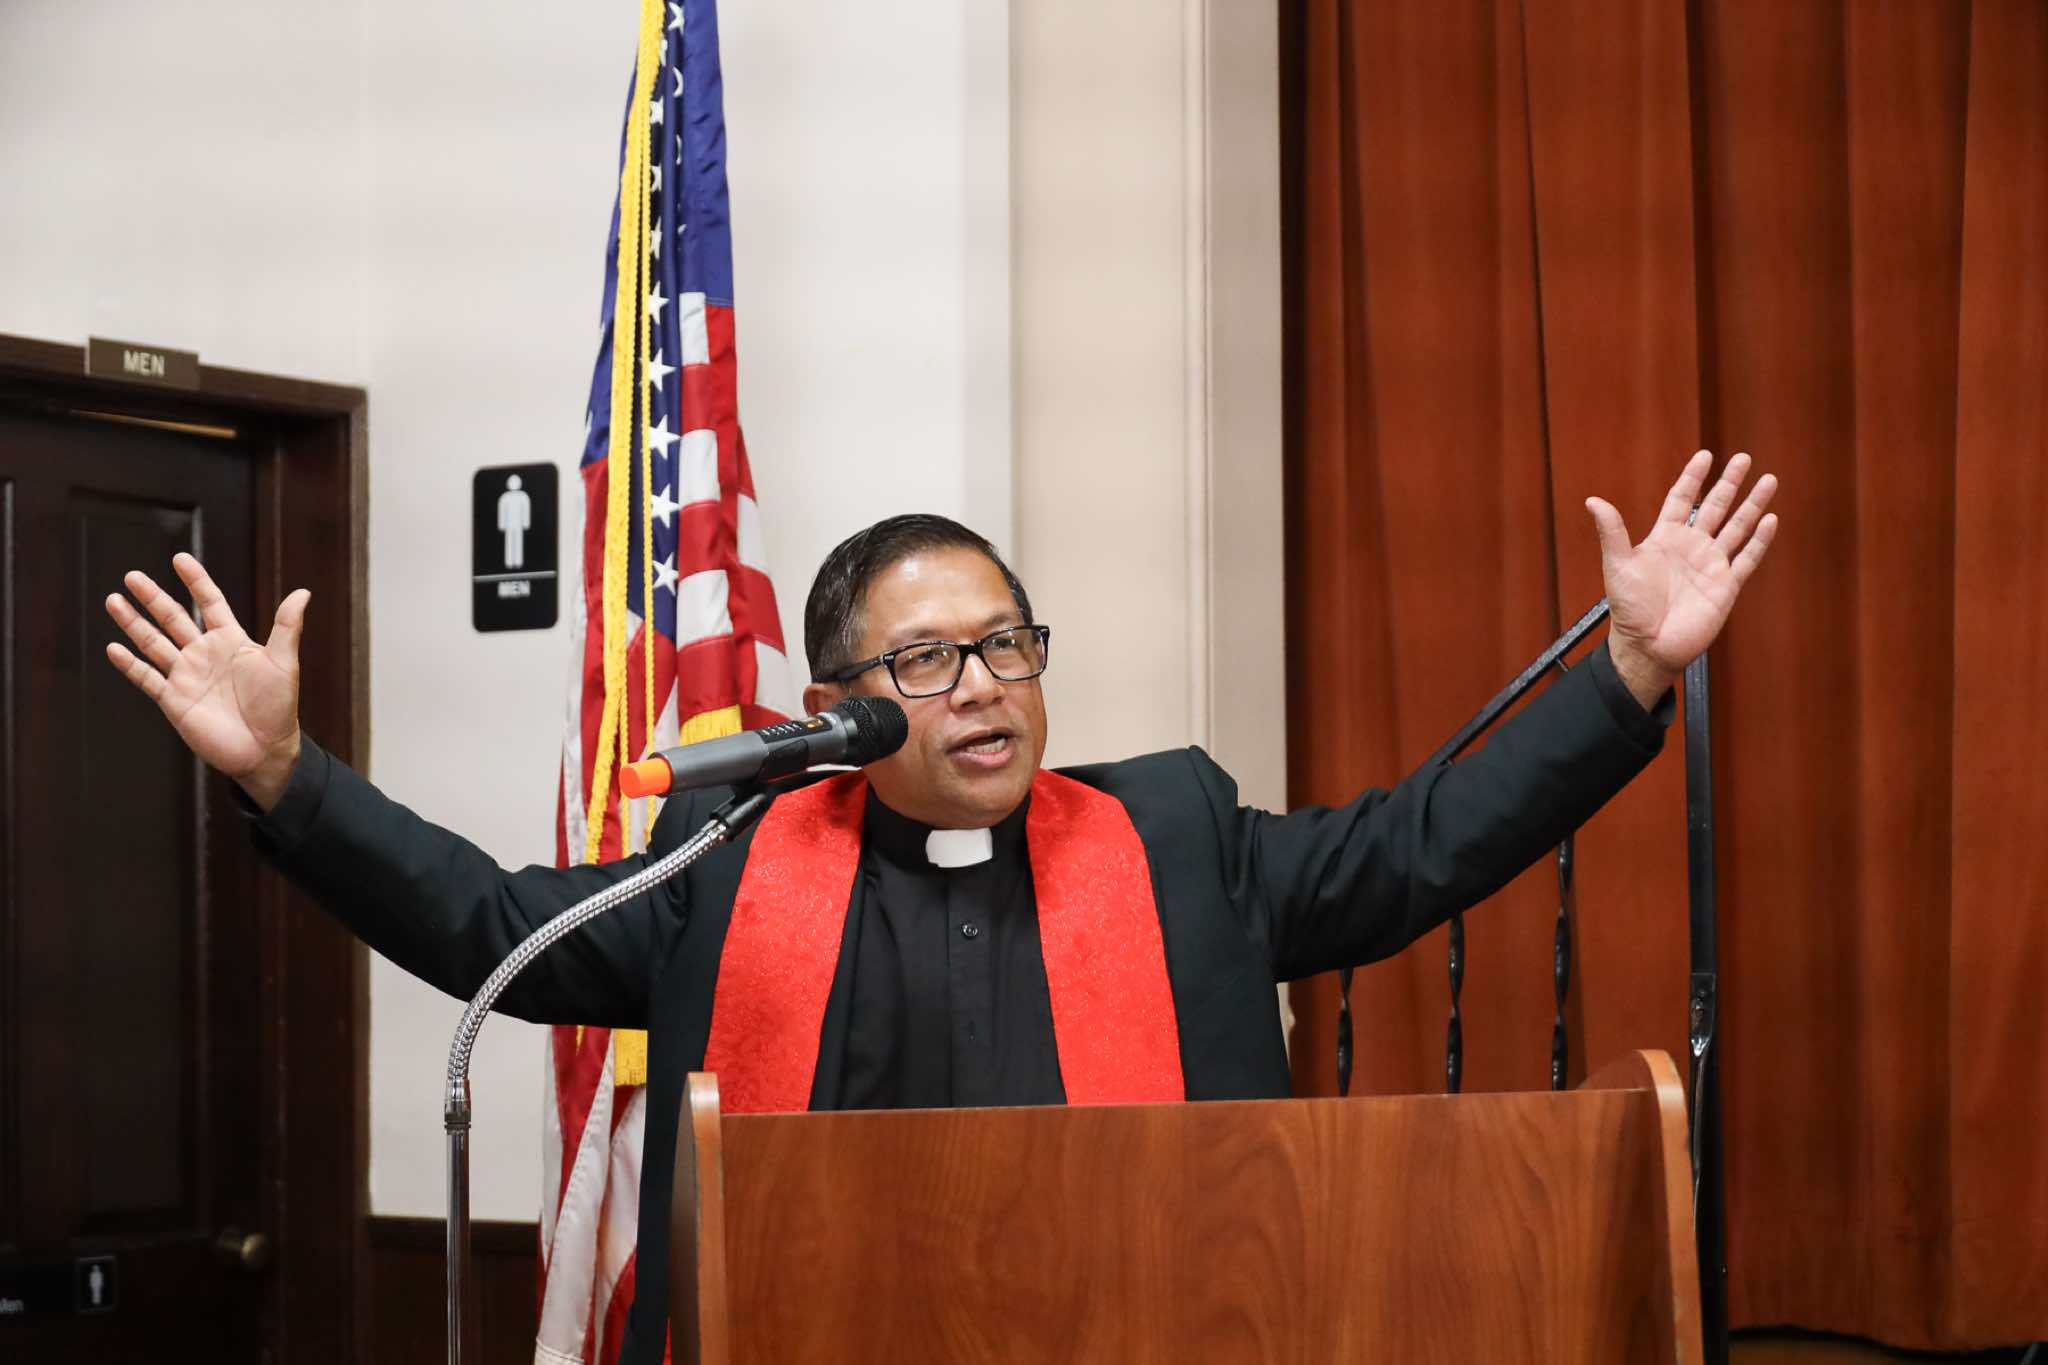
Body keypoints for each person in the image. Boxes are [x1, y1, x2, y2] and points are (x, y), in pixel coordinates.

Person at [103, 449, 1776, 1362]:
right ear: (838, 704)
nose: (982, 686)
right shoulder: (731, 861)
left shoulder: (1174, 838)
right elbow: (492, 924)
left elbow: (1419, 849)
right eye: (926, 661)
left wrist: (1627, 673)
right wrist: (288, 775)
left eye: (1005, 646)